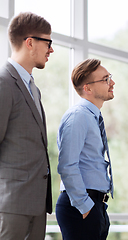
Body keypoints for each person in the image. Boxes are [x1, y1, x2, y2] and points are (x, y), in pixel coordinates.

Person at [0, 12, 54, 239]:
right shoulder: (3, 83)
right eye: (48, 42)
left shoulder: (33, 88)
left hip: (35, 205)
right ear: (30, 42)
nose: (51, 49)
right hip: (12, 205)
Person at [56, 58, 115, 240]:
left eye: (109, 77)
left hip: (95, 204)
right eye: (105, 79)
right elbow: (67, 165)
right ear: (88, 88)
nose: (112, 82)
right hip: (81, 206)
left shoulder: (91, 117)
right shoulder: (78, 117)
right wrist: (85, 205)